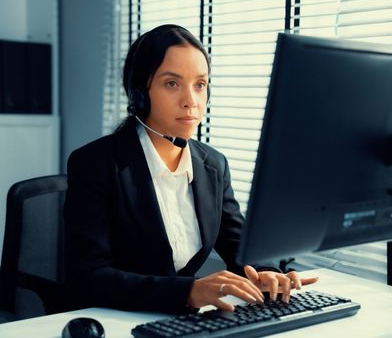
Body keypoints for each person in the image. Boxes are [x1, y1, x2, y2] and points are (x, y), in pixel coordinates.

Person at [64, 24, 318, 314]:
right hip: (114, 319)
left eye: (200, 84)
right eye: (172, 83)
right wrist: (188, 291)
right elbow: (86, 276)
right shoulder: (96, 163)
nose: (191, 101)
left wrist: (268, 272)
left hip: (181, 322)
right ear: (139, 93)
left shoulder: (213, 165)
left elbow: (242, 247)